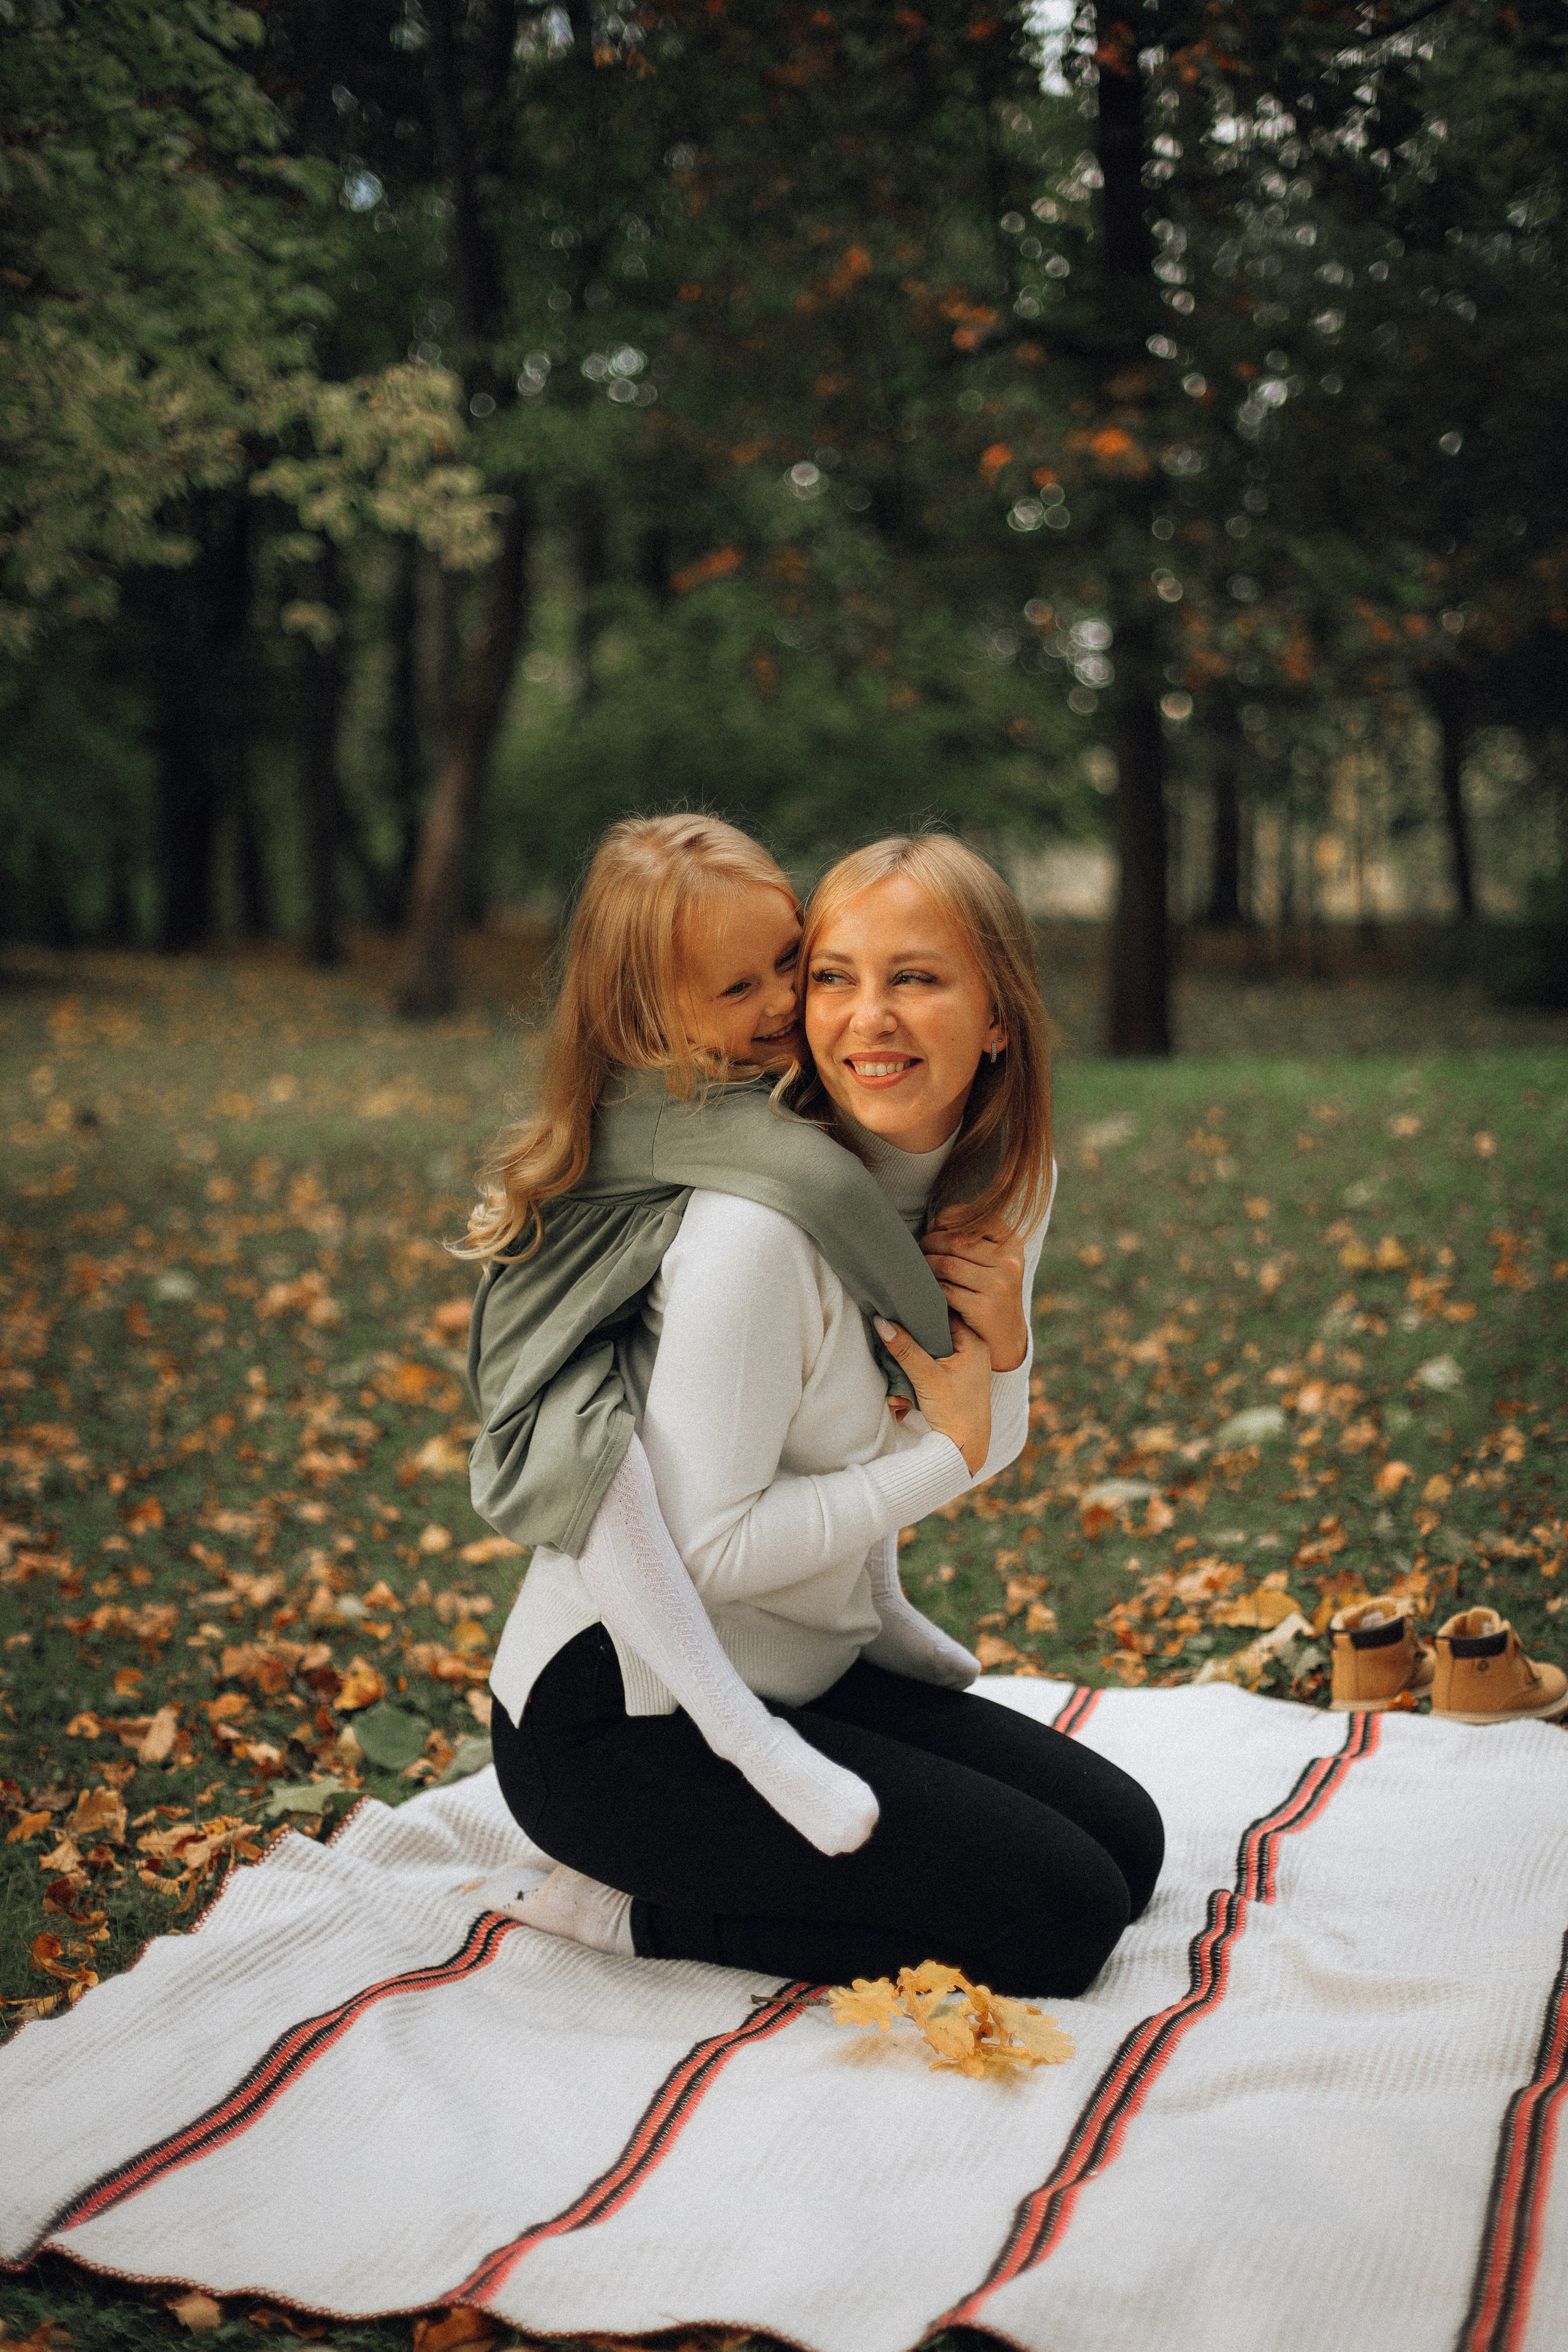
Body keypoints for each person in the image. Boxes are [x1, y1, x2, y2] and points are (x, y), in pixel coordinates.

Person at [468, 823, 1163, 1996]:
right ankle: (624, 1914)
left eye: (918, 980)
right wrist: (947, 1452)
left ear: (999, 1016)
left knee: (1128, 1844)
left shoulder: (996, 1183)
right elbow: (707, 1551)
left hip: (805, 1667)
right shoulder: (759, 1232)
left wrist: (1008, 1360)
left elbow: (977, 1436)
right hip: (621, 1723)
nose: (858, 1018)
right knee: (1064, 1920)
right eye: (833, 976)